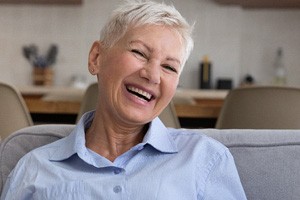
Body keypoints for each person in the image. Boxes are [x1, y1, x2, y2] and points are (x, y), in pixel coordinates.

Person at [1, 1, 247, 199]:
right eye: (139, 52)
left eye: (169, 68)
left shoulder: (205, 159)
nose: (152, 75)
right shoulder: (34, 169)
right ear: (96, 57)